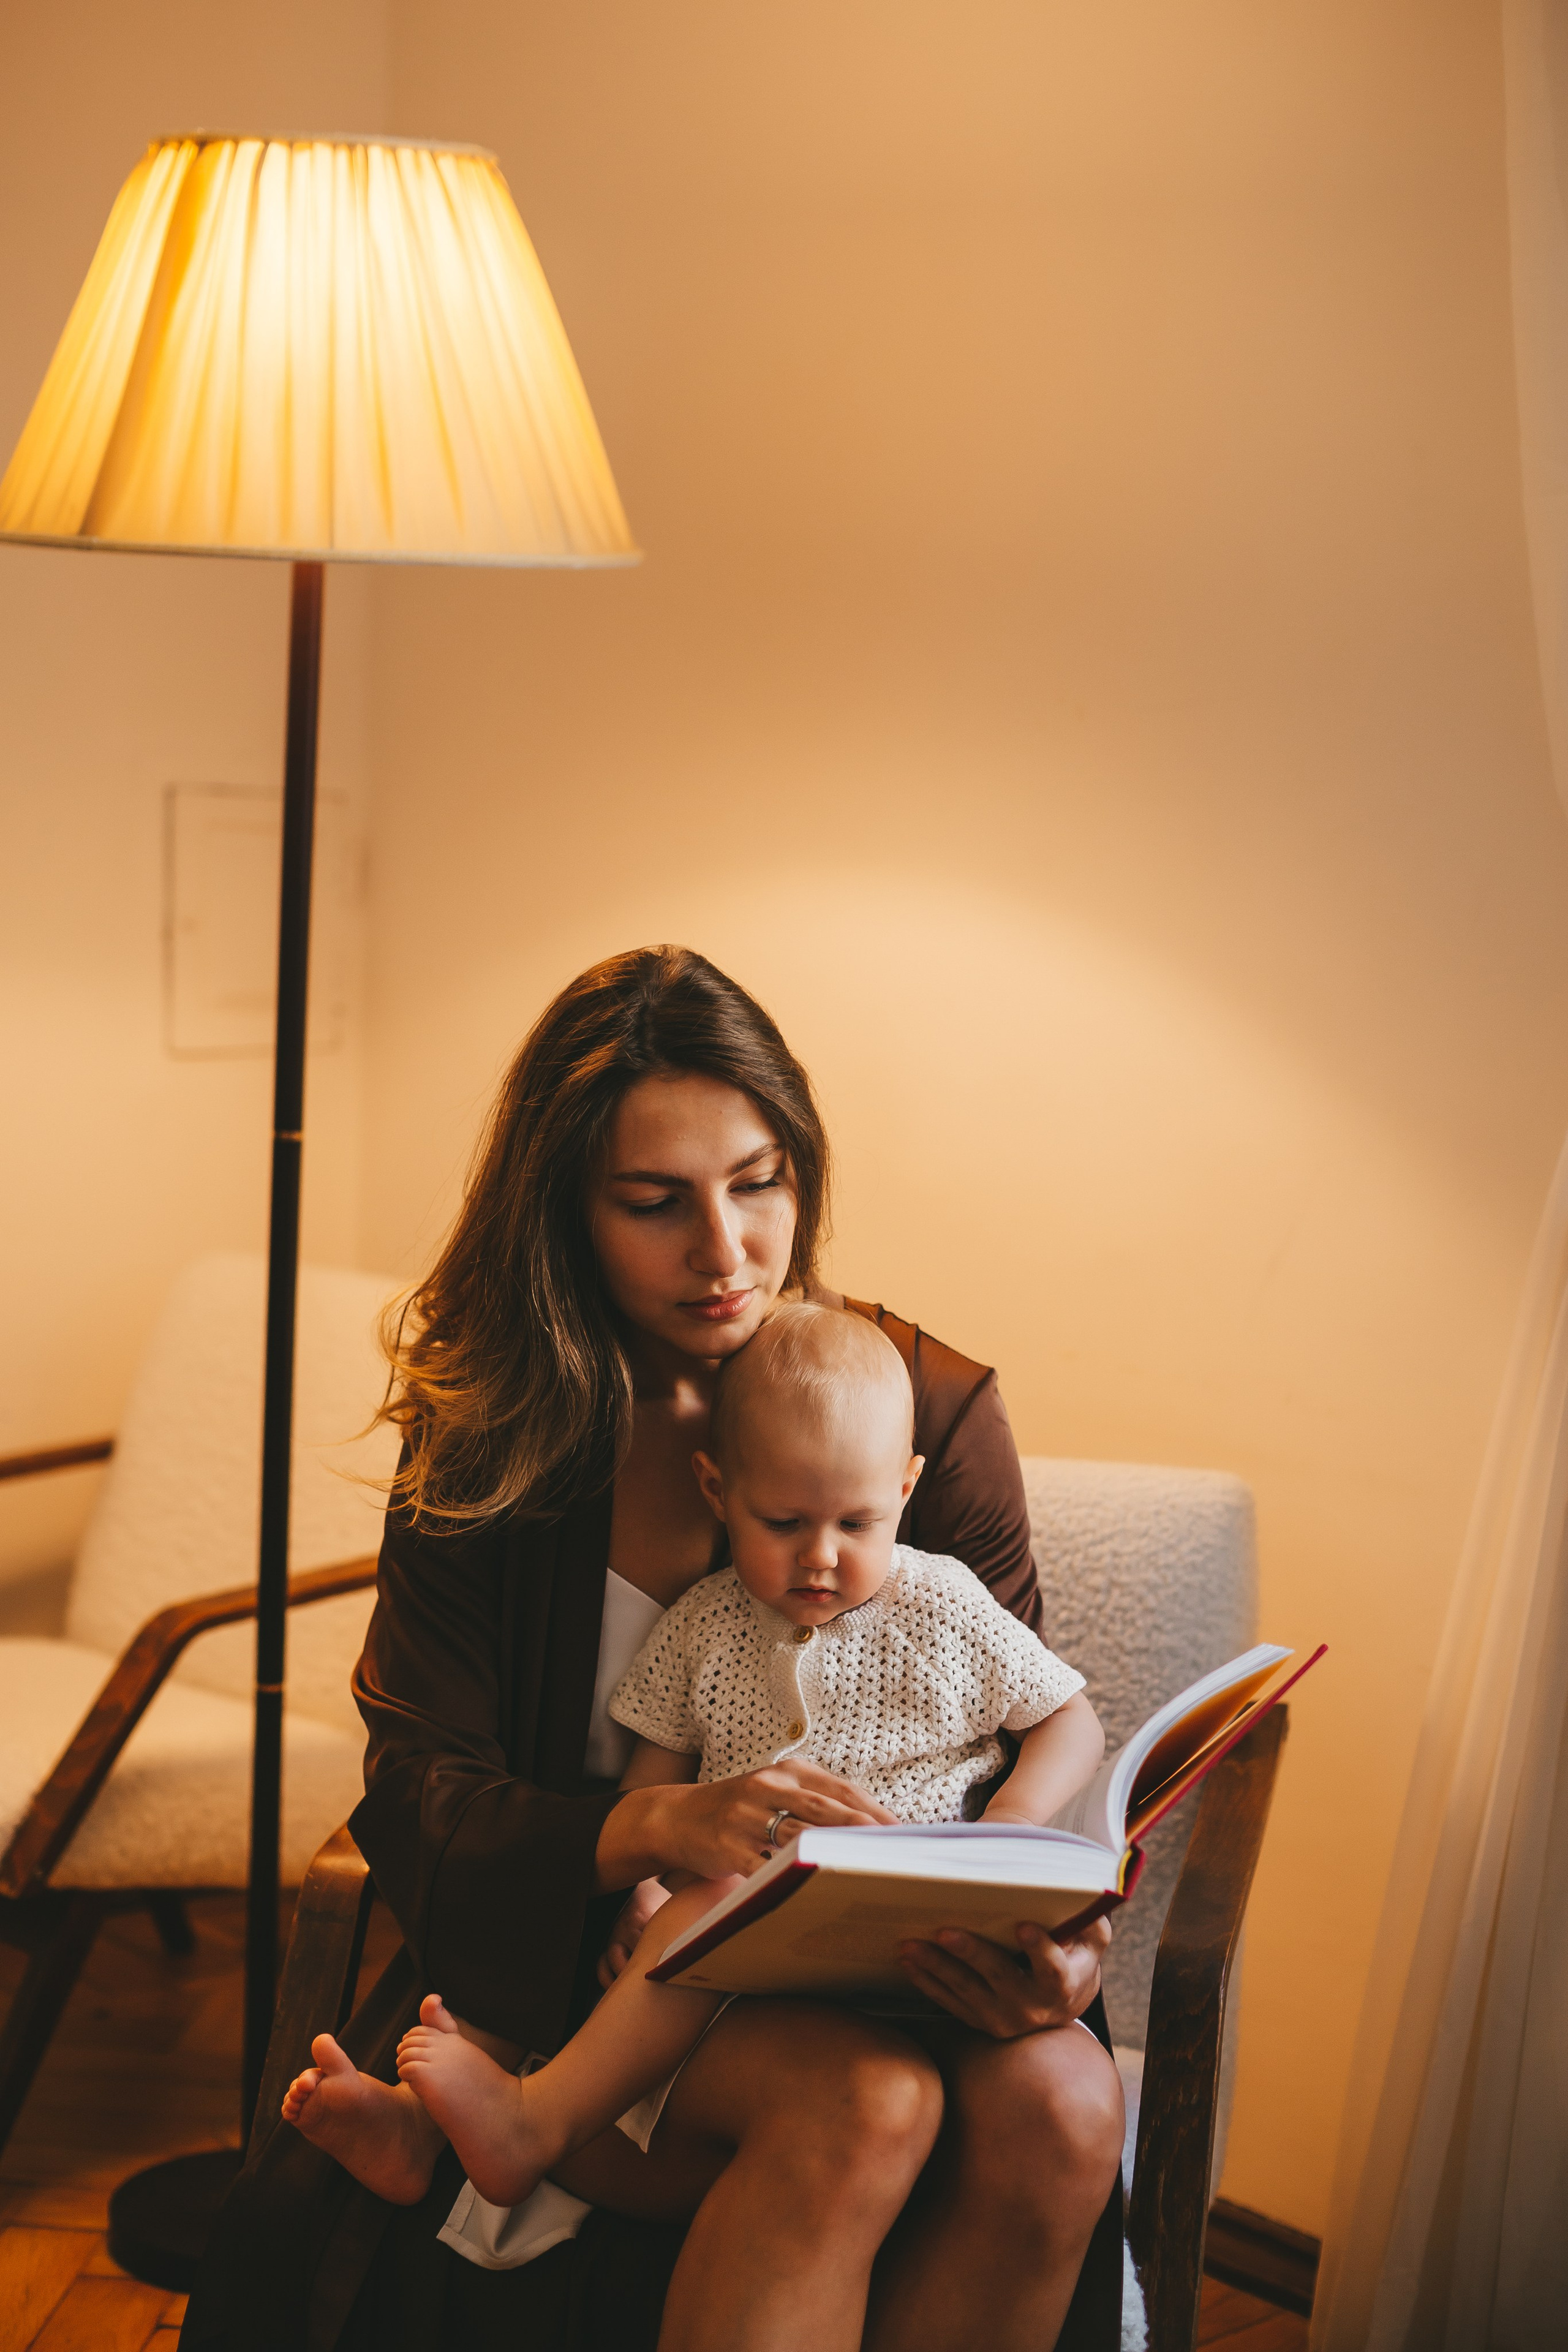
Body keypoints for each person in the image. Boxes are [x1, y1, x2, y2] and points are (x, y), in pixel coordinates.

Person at [183, 944, 1126, 2352]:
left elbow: (1018, 1737)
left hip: (900, 1946)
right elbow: (417, 1786)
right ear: (562, 1210)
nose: (726, 1249)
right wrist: (656, 1823)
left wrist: (1057, 1944)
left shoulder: (918, 1409)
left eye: (759, 1182)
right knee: (864, 2102)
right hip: (606, 1954)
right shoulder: (496, 1431)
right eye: (653, 1202)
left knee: (1063, 2101)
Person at [281, 1303, 1110, 2215]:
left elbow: (1071, 1721)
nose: (823, 1557)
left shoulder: (943, 1603)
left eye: (858, 1522)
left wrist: (1012, 1827)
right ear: (717, 1492)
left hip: (922, 1926)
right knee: (691, 1909)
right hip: (760, 1937)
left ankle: (511, 2123)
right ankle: (504, 2122)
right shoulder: (706, 1627)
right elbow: (653, 1788)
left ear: (908, 1491)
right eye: (785, 1521)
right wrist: (645, 1892)